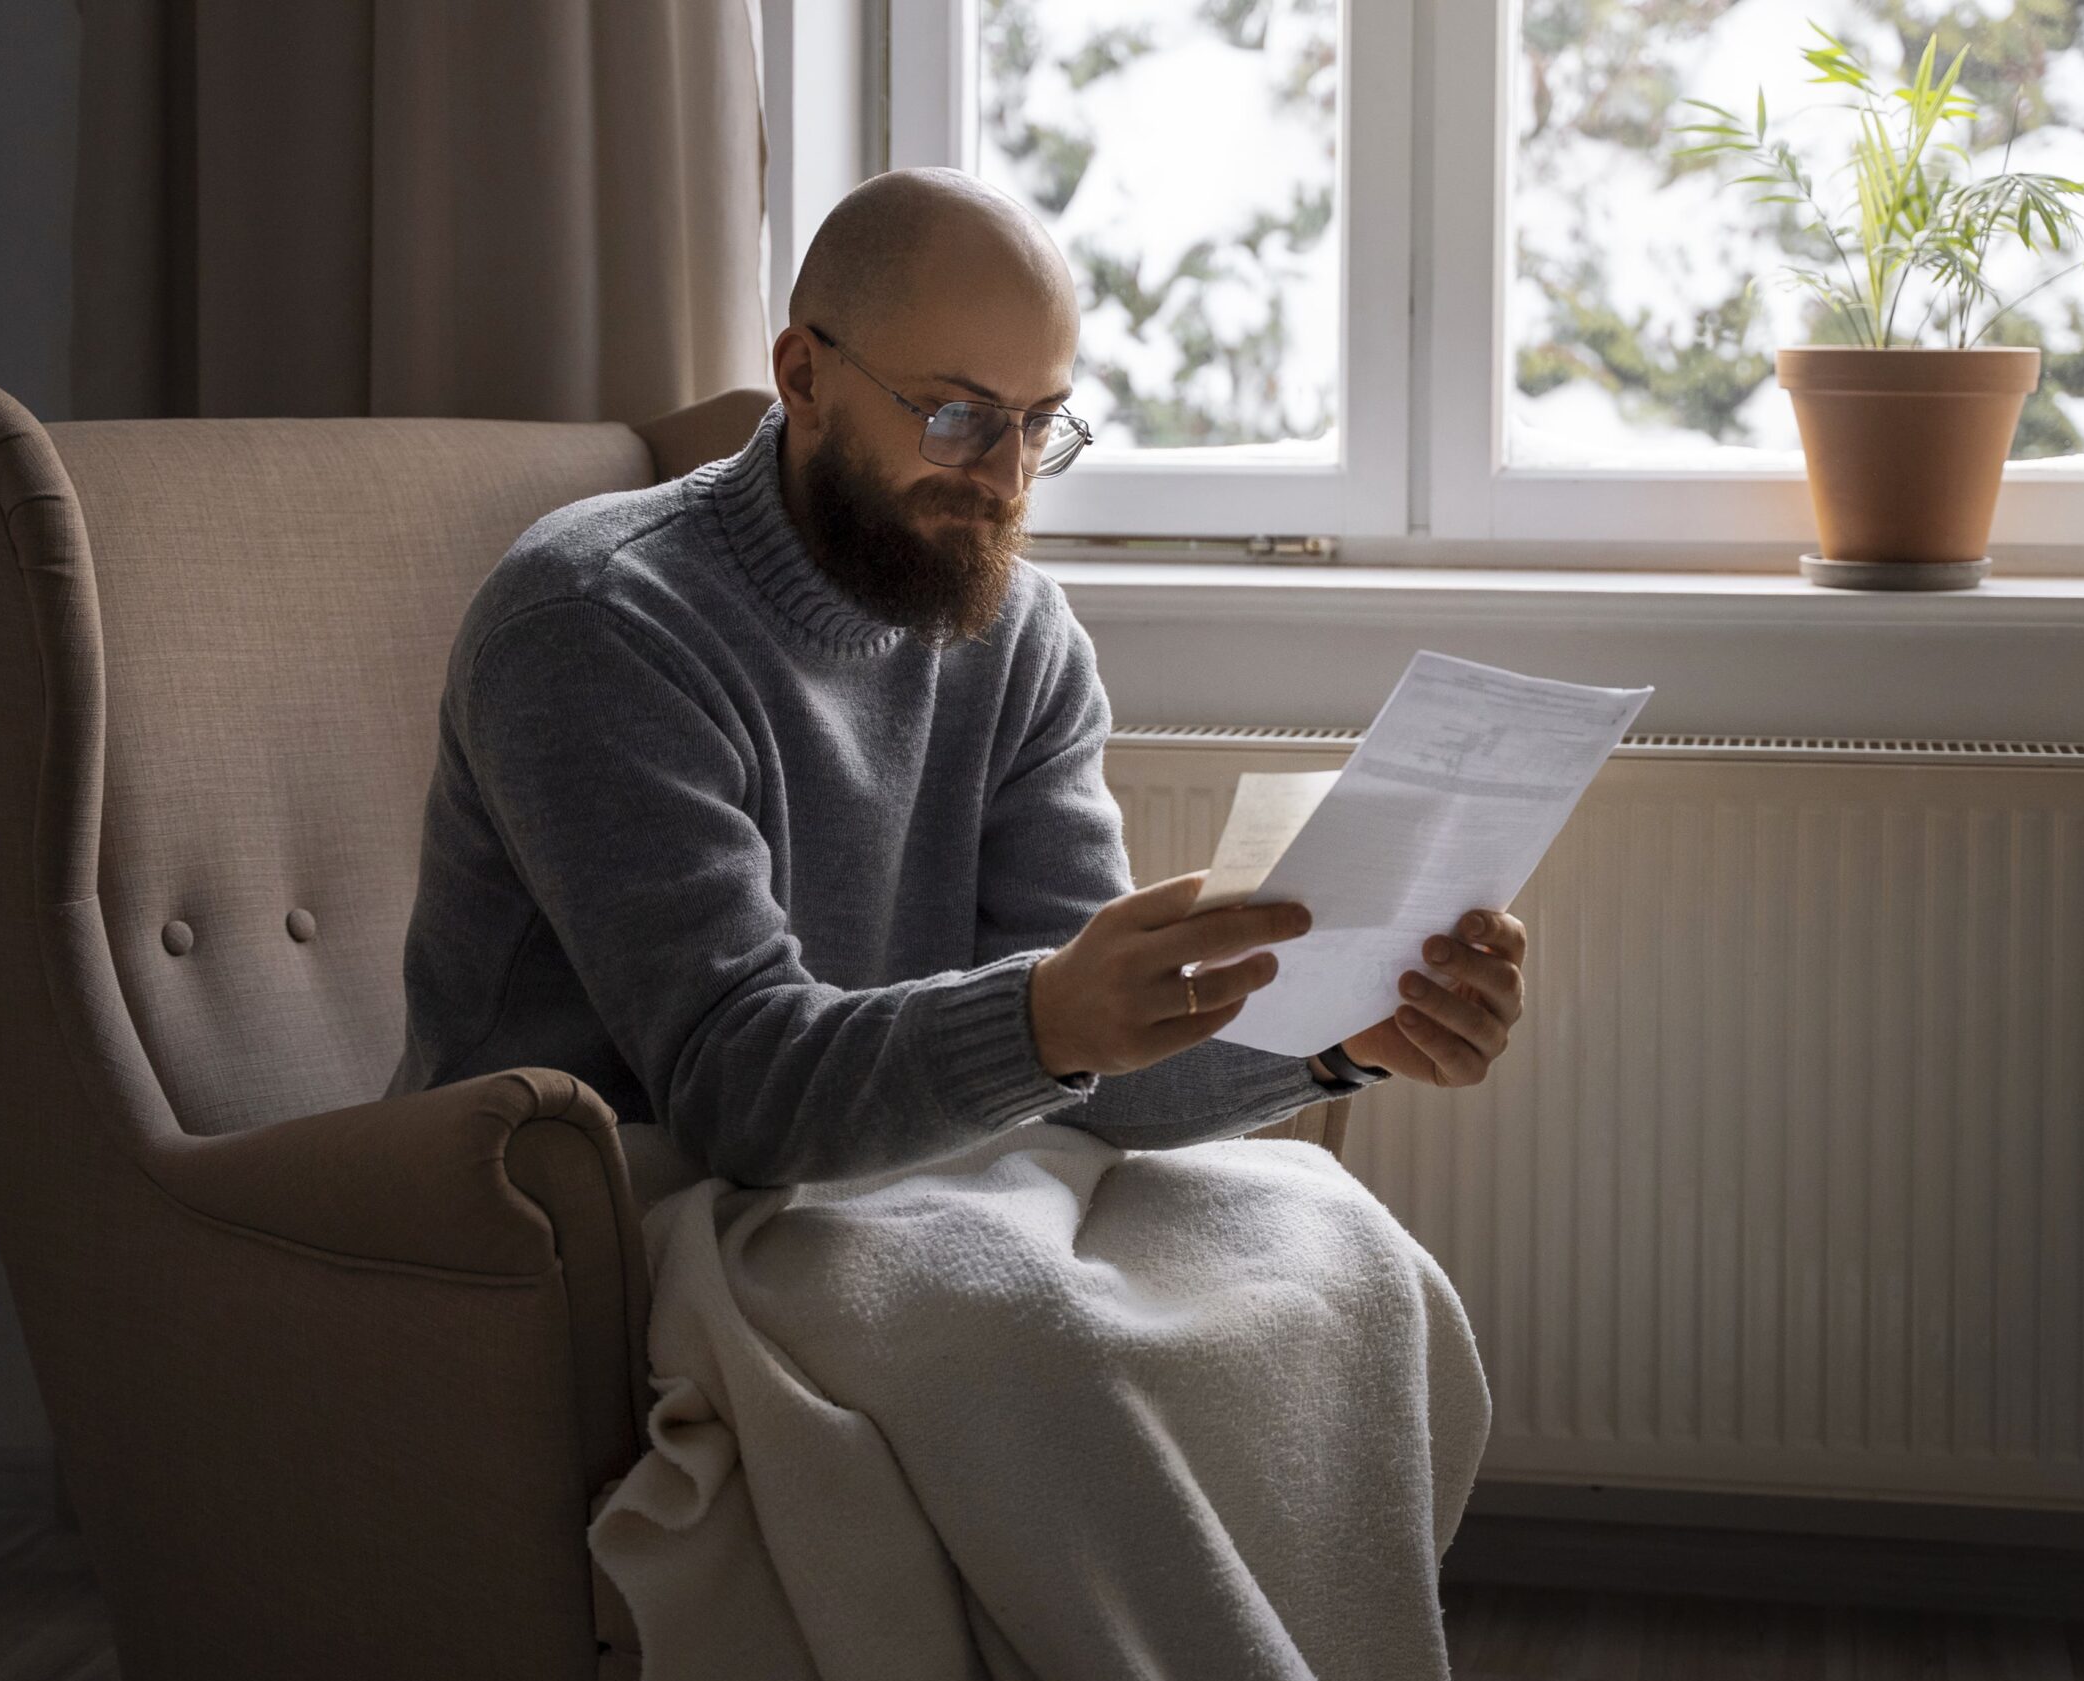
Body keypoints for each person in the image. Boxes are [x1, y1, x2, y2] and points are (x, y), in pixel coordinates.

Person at [385, 165, 1528, 1190]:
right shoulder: (597, 625)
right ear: (803, 375)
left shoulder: (1021, 639)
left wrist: (1339, 1040)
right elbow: (733, 1089)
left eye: (1041, 424)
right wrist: (1041, 1021)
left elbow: (1095, 1072)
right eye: (957, 415)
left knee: (1334, 1274)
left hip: (884, 1185)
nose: (1006, 477)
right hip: (582, 1215)